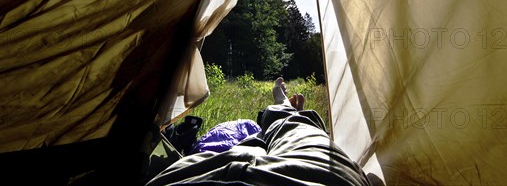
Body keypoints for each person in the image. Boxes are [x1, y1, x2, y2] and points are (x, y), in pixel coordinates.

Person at [146, 78, 383, 186]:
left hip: (190, 177)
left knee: (247, 149)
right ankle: (283, 113)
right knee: (293, 129)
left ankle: (276, 119)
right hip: (307, 178)